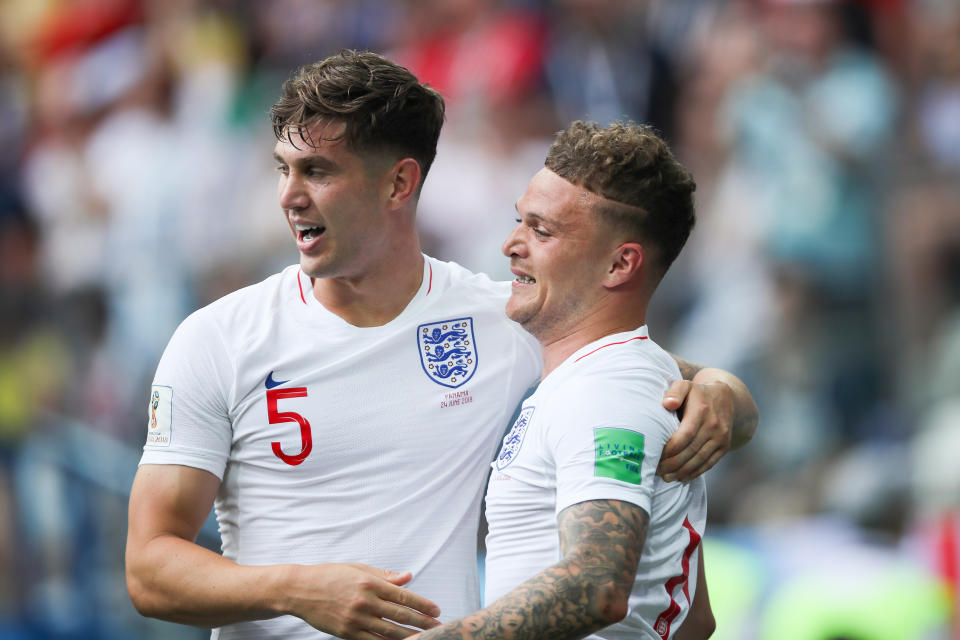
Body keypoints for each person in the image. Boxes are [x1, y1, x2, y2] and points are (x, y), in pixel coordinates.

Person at [125, 50, 758, 640]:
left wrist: (721, 390)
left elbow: (630, 367)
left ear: (399, 184)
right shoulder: (219, 338)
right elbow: (149, 568)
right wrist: (295, 589)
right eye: (284, 169)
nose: (289, 196)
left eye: (317, 171)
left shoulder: (498, 320)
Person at [412, 121, 717, 640]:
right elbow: (694, 618)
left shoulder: (606, 392)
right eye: (518, 222)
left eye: (541, 230)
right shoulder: (615, 377)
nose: (511, 244)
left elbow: (597, 585)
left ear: (620, 264)